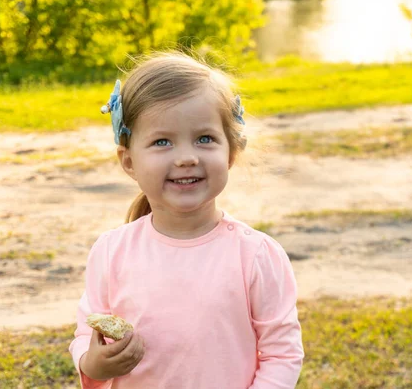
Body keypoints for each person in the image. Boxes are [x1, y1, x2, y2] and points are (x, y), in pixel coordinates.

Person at [68, 52, 304, 388]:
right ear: (130, 161)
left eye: (204, 138)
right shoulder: (112, 251)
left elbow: (282, 354)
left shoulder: (255, 255)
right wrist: (94, 363)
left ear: (231, 152)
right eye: (162, 141)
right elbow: (84, 336)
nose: (187, 158)